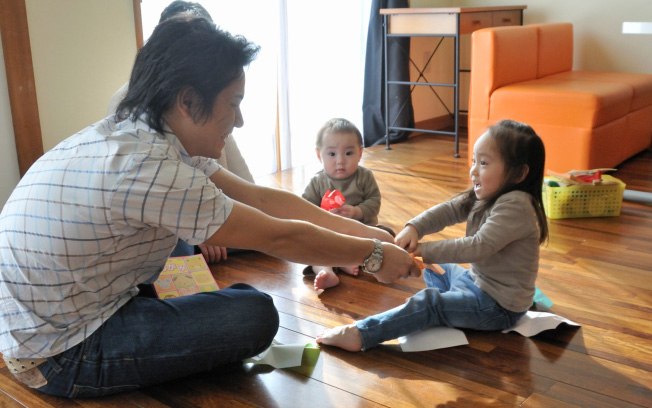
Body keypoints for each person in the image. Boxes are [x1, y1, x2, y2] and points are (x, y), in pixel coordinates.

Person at [0, 17, 420, 398]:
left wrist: (368, 234)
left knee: (206, 270)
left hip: (42, 316)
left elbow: (262, 198)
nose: (239, 121)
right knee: (253, 316)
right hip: (54, 355)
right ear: (187, 101)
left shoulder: (145, 133)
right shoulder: (152, 171)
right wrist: (375, 257)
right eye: (233, 102)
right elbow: (279, 235)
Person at [316, 119, 549, 352]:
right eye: (474, 161)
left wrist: (422, 251)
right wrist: (414, 228)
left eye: (484, 163)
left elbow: (477, 247)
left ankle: (362, 334)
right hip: (475, 282)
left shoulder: (517, 205)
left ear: (518, 174)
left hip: (498, 307)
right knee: (438, 268)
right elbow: (451, 209)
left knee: (429, 304)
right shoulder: (491, 191)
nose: (473, 170)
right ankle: (452, 308)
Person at [107, 1, 252, 264]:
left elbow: (248, 188)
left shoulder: (209, 103)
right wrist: (203, 230)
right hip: (168, 219)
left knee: (260, 232)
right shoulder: (133, 105)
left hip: (201, 207)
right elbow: (159, 198)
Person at [301, 118, 385, 290]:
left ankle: (350, 261)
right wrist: (323, 217)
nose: (340, 161)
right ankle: (327, 272)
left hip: (360, 232)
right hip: (330, 235)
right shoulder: (317, 182)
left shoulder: (365, 177)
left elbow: (374, 201)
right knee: (313, 249)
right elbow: (304, 208)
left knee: (383, 237)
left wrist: (357, 211)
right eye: (332, 154)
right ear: (319, 155)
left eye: (348, 153)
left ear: (360, 153)